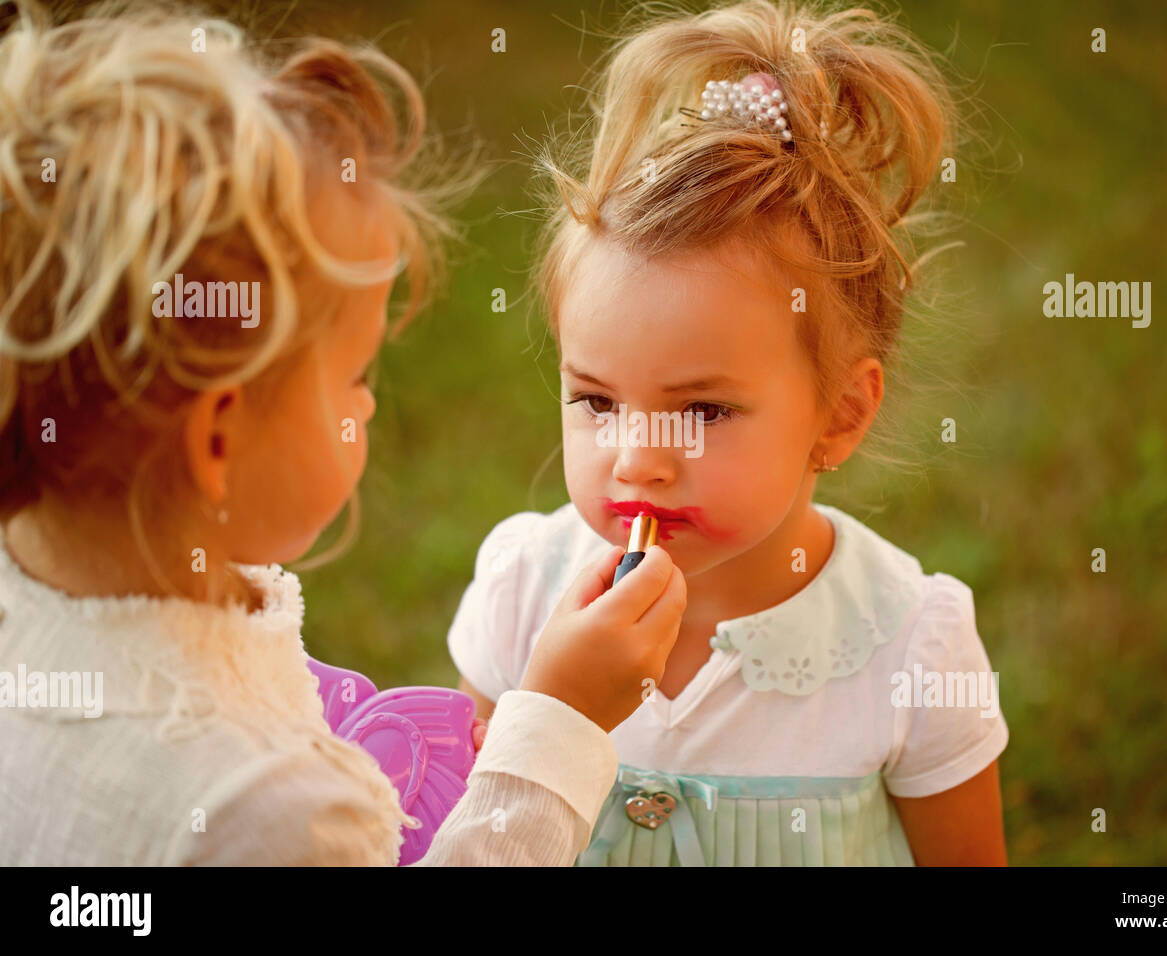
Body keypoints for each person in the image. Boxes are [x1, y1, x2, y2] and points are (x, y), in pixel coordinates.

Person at [0, 0, 685, 866]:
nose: (368, 405)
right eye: (355, 375)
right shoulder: (272, 814)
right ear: (217, 439)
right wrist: (559, 722)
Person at [451, 0, 1009, 865]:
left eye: (704, 412)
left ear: (840, 416)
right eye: (597, 401)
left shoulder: (909, 646)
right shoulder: (523, 593)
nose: (639, 459)